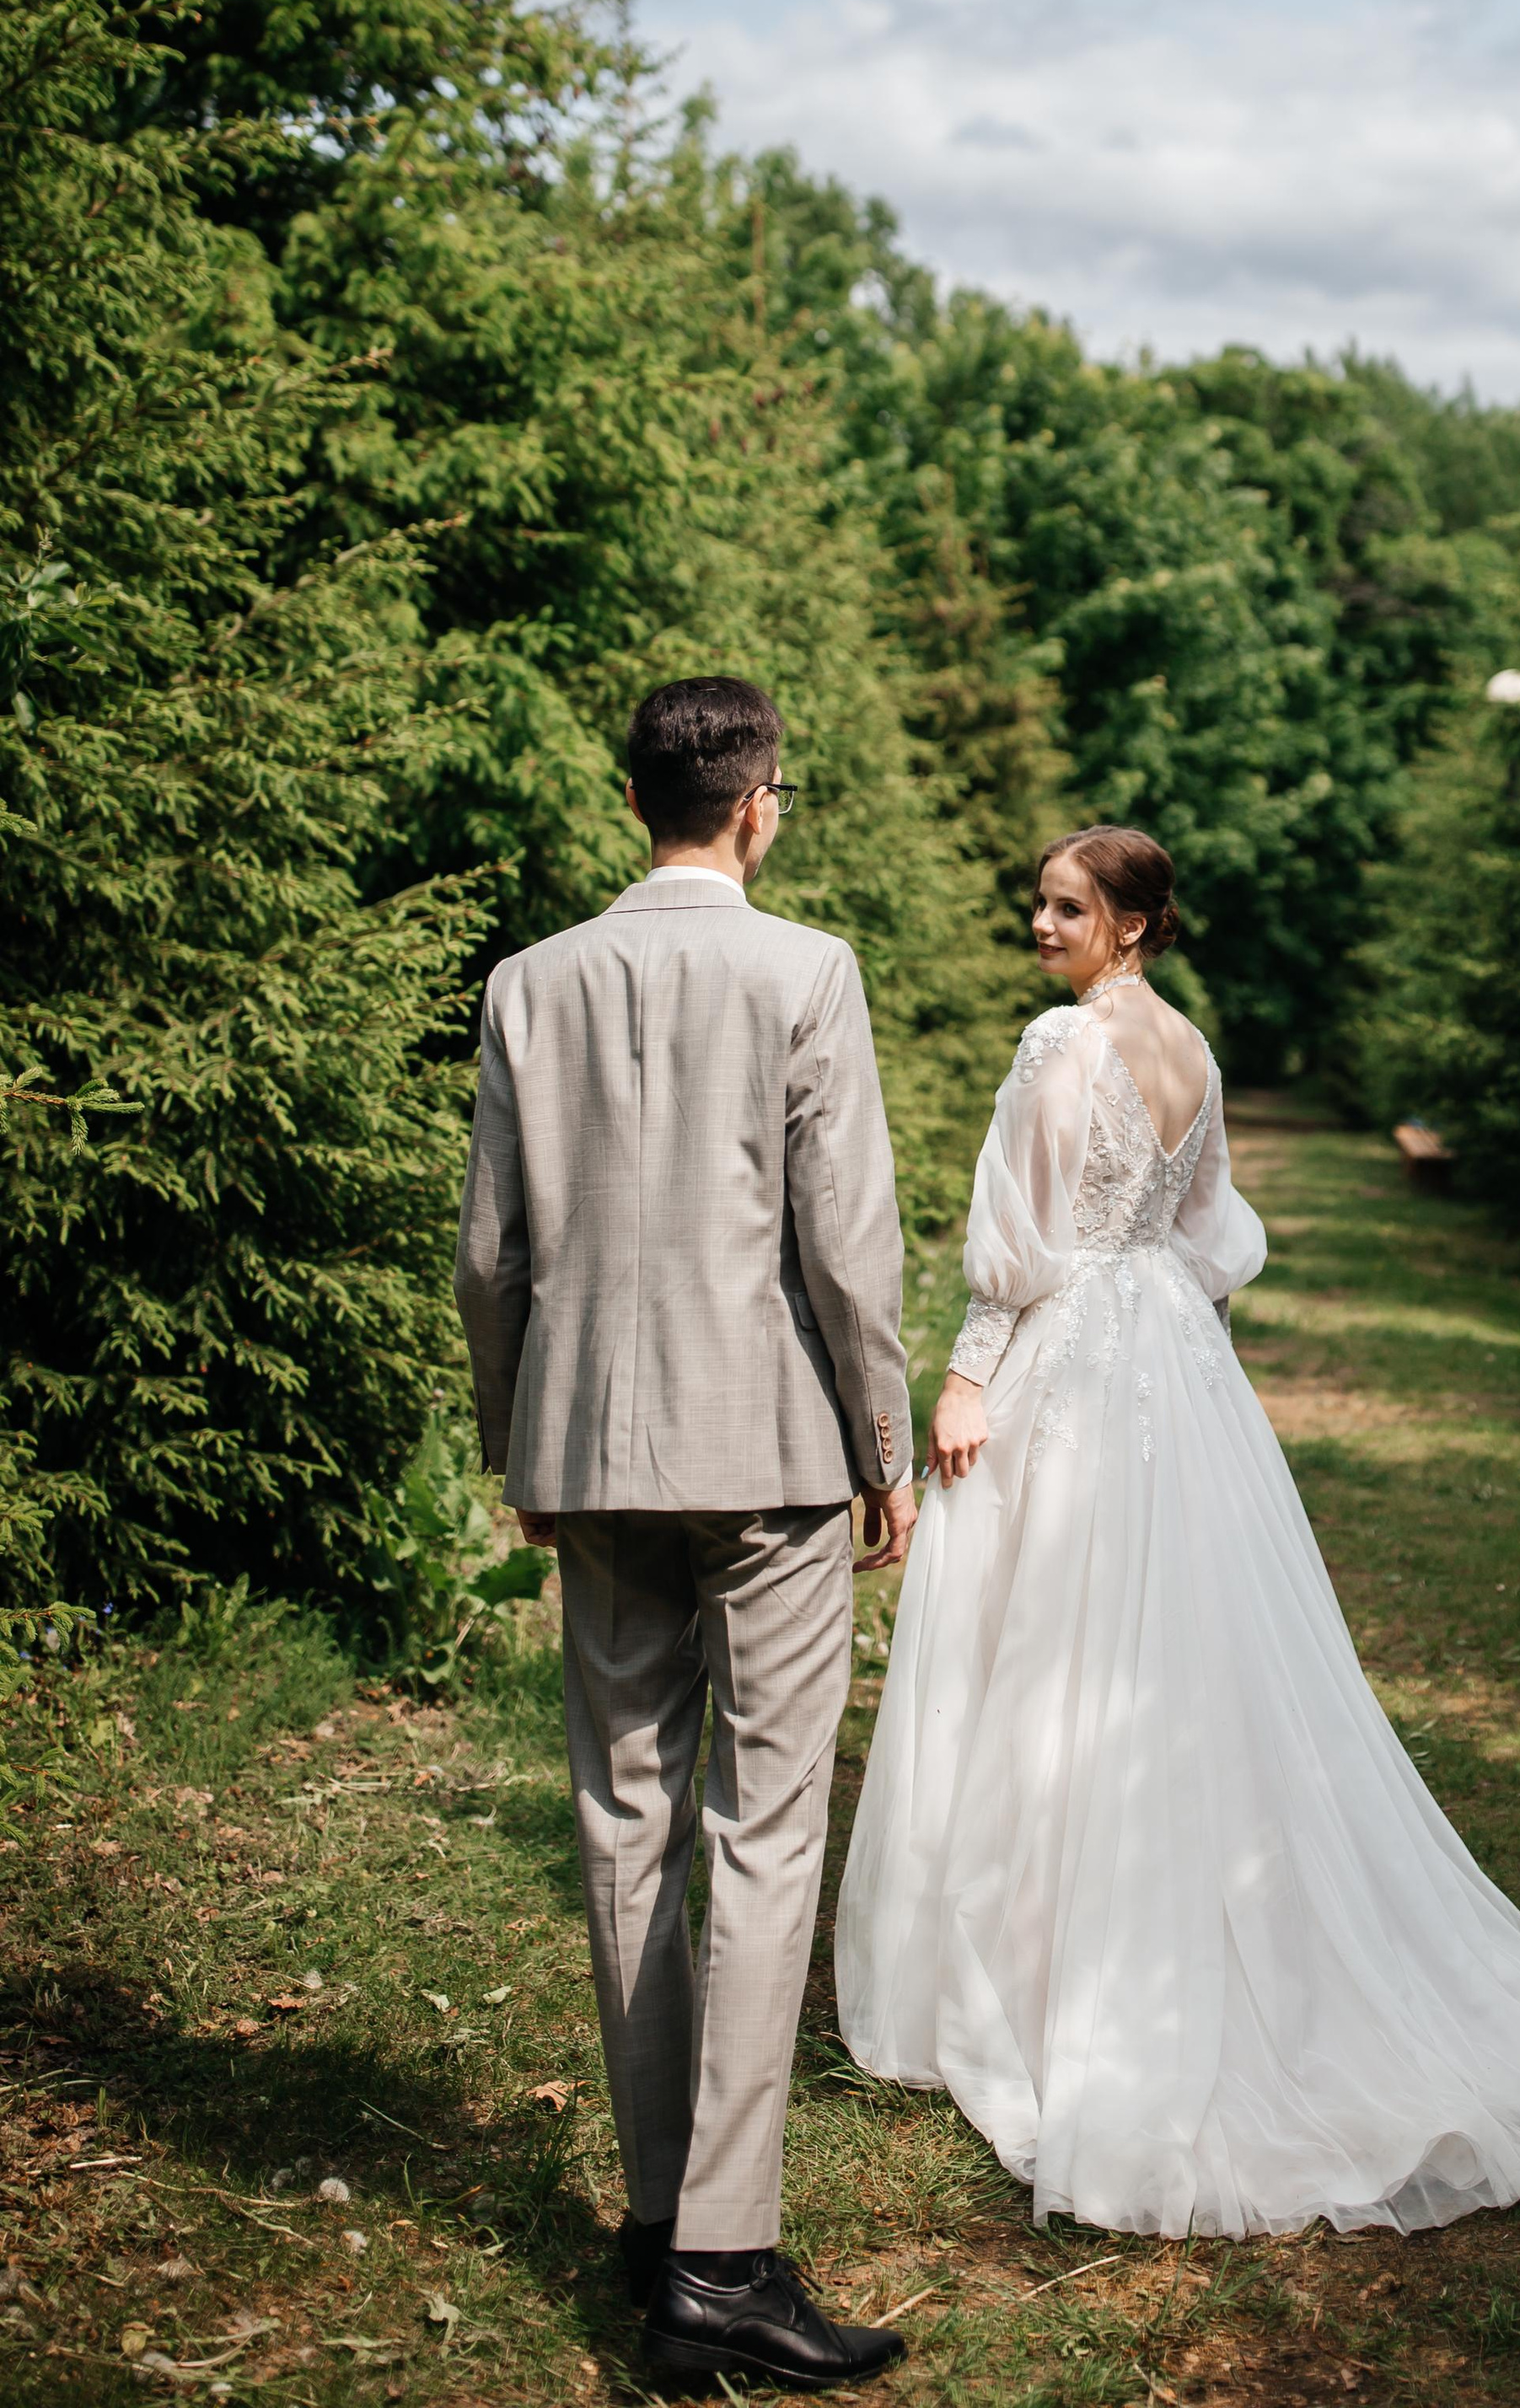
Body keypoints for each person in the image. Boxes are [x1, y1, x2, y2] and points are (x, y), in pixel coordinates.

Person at [837, 823, 1520, 2240]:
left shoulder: (1061, 1045)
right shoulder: (1195, 1051)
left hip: (1075, 1351)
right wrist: (1188, 1367)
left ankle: (1040, 1961)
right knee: (1162, 1642)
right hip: (1171, 1347)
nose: (1042, 924)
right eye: (1040, 903)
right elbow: (1210, 1236)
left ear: (1131, 924)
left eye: (1067, 907)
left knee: (1046, 1635)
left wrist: (969, 1374)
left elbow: (1022, 1236)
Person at [454, 675, 916, 2395]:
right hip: (769, 1451)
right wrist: (882, 1446)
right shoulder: (806, 970)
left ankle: (659, 2220)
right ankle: (722, 2265)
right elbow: (844, 1243)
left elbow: (491, 1255)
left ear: (638, 799)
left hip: (587, 1448)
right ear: (756, 803)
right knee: (764, 1830)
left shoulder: (529, 980)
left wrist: (517, 1439)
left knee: (625, 1815)